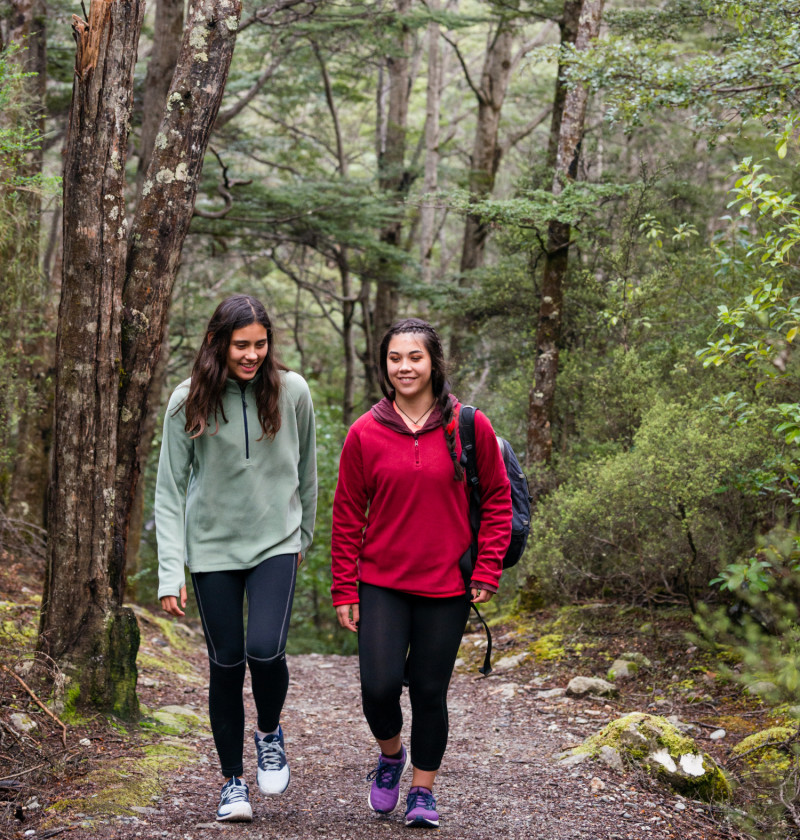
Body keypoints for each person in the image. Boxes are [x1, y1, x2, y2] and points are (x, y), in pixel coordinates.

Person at [331, 318, 511, 828]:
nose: (404, 367)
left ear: (434, 362)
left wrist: (487, 566)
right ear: (384, 365)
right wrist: (345, 585)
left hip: (447, 584)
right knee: (379, 687)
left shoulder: (469, 425)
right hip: (382, 581)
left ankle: (423, 792)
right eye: (395, 358)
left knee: (430, 691)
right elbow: (347, 514)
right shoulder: (365, 432)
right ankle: (392, 757)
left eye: (415, 357)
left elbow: (497, 500)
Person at [156, 294, 317, 823]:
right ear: (217, 343)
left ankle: (269, 732)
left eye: (260, 344)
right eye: (240, 345)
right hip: (212, 550)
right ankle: (231, 782)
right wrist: (170, 570)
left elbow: (307, 469)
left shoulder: (292, 391)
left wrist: (304, 537)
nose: (251, 355)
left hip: (276, 541)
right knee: (226, 664)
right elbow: (170, 490)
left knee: (265, 651)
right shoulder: (187, 400)